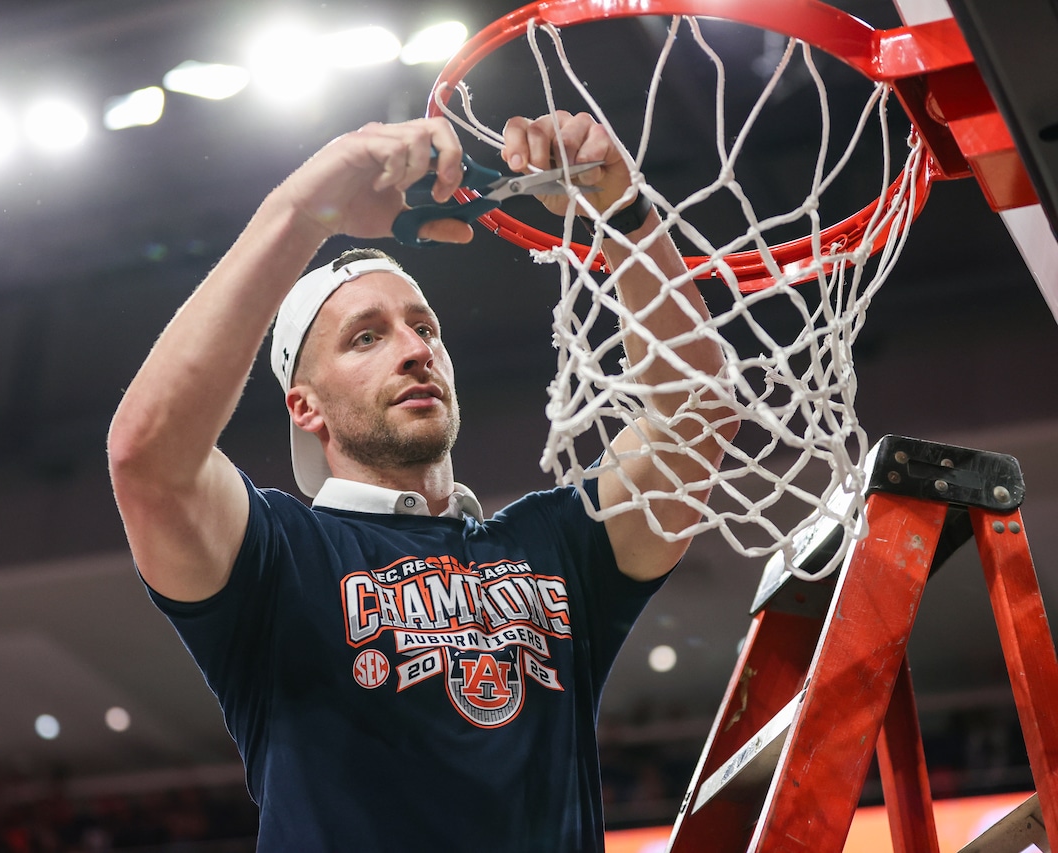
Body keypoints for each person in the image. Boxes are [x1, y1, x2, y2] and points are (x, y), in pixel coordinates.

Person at [107, 111, 735, 851]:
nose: (414, 350)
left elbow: (698, 415)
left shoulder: (551, 542)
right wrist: (306, 210)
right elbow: (146, 456)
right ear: (303, 405)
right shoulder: (278, 554)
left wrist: (623, 213)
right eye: (366, 336)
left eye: (425, 327)